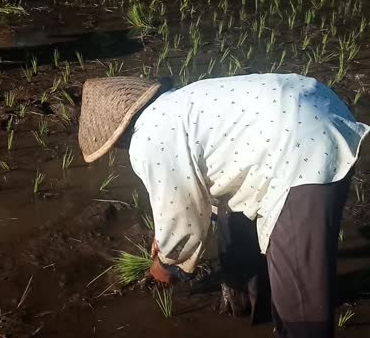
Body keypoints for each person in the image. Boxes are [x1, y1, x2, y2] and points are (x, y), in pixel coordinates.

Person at [77, 74, 369, 338]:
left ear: (116, 136)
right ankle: (248, 304)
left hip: (303, 149)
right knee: (231, 219)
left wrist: (164, 265)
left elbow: (182, 221)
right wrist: (167, 233)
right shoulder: (181, 102)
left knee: (300, 288)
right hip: (318, 103)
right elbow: (202, 183)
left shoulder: (147, 140)